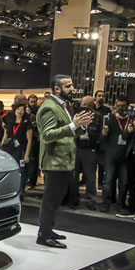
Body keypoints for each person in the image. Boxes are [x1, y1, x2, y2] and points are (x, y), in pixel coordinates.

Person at [36, 75, 93, 248]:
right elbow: (47, 135)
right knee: (51, 200)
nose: (73, 89)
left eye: (72, 85)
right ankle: (44, 235)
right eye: (68, 86)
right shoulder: (49, 108)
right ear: (57, 89)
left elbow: (68, 132)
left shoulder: (61, 106)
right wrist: (73, 126)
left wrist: (80, 126)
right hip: (55, 162)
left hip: (63, 161)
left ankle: (47, 230)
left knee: (56, 200)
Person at [99, 97, 132, 214]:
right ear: (115, 105)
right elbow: (101, 139)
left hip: (125, 156)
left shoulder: (131, 120)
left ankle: (120, 204)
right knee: (107, 181)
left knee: (124, 182)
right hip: (110, 154)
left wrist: (130, 132)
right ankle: (105, 203)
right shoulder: (109, 119)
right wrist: (103, 135)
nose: (120, 108)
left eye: (123, 106)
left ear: (127, 106)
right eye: (118, 105)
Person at [70, 95, 102, 210]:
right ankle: (74, 198)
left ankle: (90, 199)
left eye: (88, 105)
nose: (85, 107)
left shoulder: (97, 117)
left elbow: (100, 133)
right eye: (84, 104)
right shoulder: (75, 116)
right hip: (76, 147)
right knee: (74, 175)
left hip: (89, 149)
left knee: (90, 176)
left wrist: (96, 146)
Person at [1, 102, 33, 194]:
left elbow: (29, 140)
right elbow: (5, 135)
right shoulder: (10, 122)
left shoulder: (26, 123)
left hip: (20, 150)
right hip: (9, 149)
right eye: (18, 109)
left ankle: (21, 190)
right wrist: (2, 147)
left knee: (21, 171)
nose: (20, 111)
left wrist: (27, 155)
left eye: (22, 110)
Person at [93, 90, 112, 192]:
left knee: (102, 163)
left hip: (102, 139)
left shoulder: (107, 110)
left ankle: (100, 182)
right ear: (95, 97)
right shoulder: (91, 108)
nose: (101, 97)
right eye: (99, 95)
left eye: (102, 96)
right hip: (92, 138)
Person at [26, 94, 41, 188]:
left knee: (35, 161)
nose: (33, 104)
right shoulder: (25, 111)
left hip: (36, 139)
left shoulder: (39, 111)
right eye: (31, 102)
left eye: (34, 102)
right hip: (28, 138)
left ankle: (32, 181)